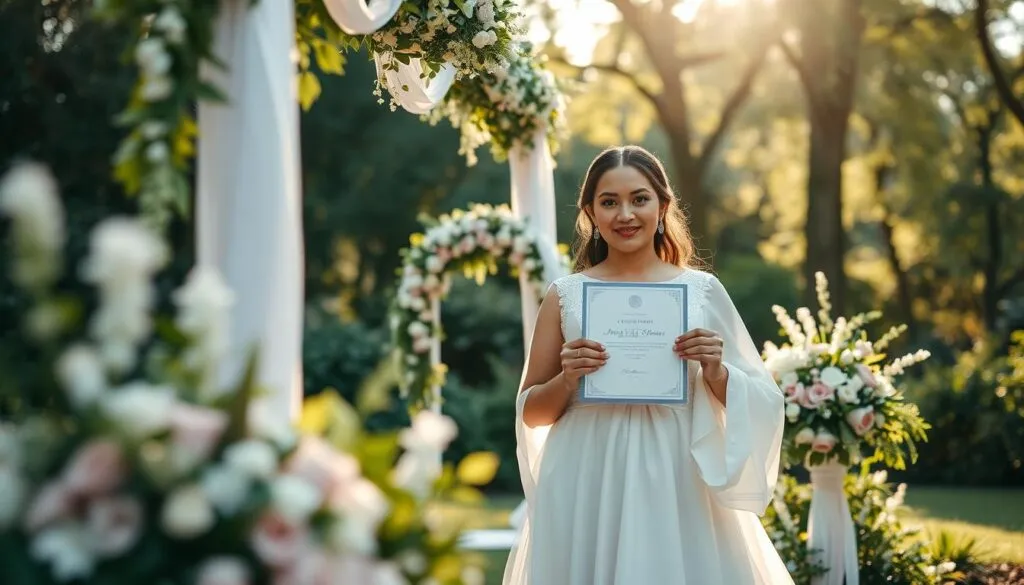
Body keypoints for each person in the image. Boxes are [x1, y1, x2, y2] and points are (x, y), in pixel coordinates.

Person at [501, 145, 793, 585]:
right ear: (590, 213)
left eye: (639, 199)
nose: (625, 214)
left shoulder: (702, 290)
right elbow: (531, 411)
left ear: (663, 205)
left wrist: (716, 371)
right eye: (609, 202)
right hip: (587, 472)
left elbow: (763, 397)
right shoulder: (565, 294)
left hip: (676, 471)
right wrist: (568, 378)